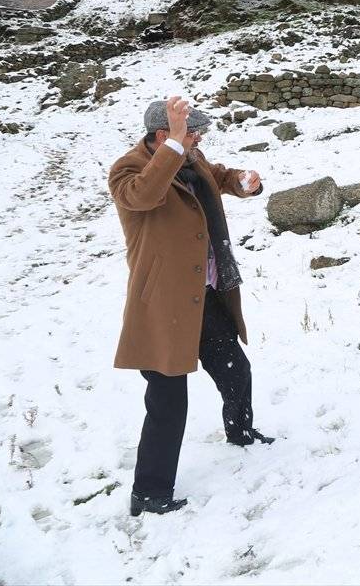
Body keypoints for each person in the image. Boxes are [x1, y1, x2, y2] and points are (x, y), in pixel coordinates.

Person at [109, 96, 272, 517]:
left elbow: (217, 176)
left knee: (236, 369)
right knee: (168, 402)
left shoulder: (191, 159)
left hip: (204, 295)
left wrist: (242, 181)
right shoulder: (128, 170)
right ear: (163, 136)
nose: (199, 139)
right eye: (191, 132)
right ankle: (148, 492)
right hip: (163, 305)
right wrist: (176, 146)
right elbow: (144, 196)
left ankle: (241, 432)